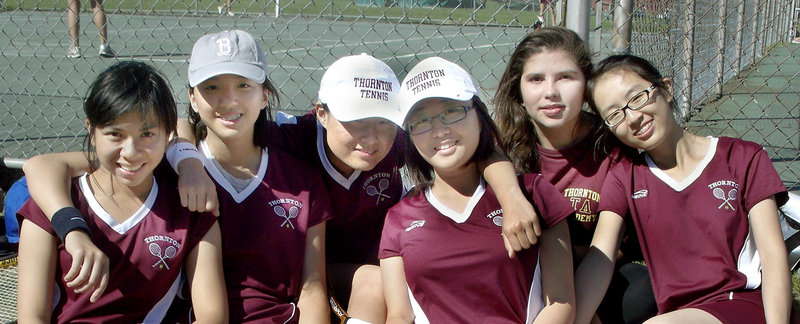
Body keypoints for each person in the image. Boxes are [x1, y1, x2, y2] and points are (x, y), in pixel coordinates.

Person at [171, 52, 540, 323]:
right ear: (321, 114)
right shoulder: (292, 136)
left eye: (382, 121)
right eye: (353, 120)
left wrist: (511, 196)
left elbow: (482, 153)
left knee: (378, 278)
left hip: (378, 263)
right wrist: (188, 160)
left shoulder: (400, 142)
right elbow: (187, 123)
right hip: (308, 266)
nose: (370, 137)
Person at [23, 30, 333, 323]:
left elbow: (311, 287)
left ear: (265, 95)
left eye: (243, 85)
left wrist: (187, 162)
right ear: (193, 98)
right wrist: (72, 229)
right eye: (212, 87)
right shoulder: (167, 173)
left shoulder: (292, 181)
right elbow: (41, 165)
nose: (228, 100)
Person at [587, 54, 793, 324]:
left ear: (667, 89)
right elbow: (599, 259)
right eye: (615, 114)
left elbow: (773, 257)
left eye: (637, 98)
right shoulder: (625, 178)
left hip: (742, 301)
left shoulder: (742, 157)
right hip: (679, 314)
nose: (633, 117)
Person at [16, 61, 227, 323]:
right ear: (91, 131)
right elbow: (31, 317)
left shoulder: (190, 209)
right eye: (115, 134)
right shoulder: (50, 205)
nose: (131, 152)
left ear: (168, 134)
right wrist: (73, 231)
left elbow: (212, 316)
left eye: (147, 134)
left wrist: (189, 163)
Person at [380, 56, 576, 323]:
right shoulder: (399, 218)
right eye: (422, 121)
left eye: (452, 111)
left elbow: (561, 303)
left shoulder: (533, 192)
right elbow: (400, 316)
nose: (439, 130)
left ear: (479, 113)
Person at [493, 26, 657, 324]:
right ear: (518, 89)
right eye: (536, 79)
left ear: (585, 85)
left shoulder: (612, 144)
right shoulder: (500, 151)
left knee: (639, 291)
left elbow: (608, 251)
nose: (551, 92)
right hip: (529, 275)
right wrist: (510, 196)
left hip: (595, 271)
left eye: (565, 77)